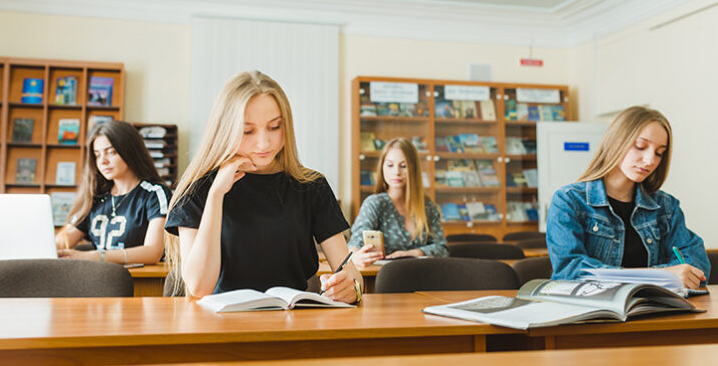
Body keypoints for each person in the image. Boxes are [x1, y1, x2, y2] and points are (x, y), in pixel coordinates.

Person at [164, 70, 362, 302]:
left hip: (292, 323)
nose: (263, 142)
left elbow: (352, 277)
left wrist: (351, 289)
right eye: (248, 131)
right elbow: (199, 287)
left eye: (274, 127)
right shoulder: (199, 188)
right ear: (225, 130)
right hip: (221, 325)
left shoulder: (311, 187)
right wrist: (217, 194)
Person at [547, 106, 710, 288]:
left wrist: (681, 273)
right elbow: (569, 271)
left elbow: (697, 263)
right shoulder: (568, 201)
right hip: (594, 314)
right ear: (616, 142)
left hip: (655, 311)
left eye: (659, 153)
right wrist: (660, 275)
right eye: (640, 146)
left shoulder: (666, 206)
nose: (649, 160)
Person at [56, 120, 172, 264]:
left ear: (130, 151)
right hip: (100, 278)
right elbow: (62, 241)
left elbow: (153, 252)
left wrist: (97, 256)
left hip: (142, 282)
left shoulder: (155, 194)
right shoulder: (95, 196)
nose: (103, 161)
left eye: (111, 152)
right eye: (97, 155)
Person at [348, 138, 448, 269]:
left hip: (424, 276)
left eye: (403, 166)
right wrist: (355, 256)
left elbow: (442, 249)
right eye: (390, 165)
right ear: (382, 167)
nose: (396, 172)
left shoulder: (427, 207)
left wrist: (412, 253)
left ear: (414, 169)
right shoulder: (375, 204)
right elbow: (354, 245)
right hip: (385, 279)